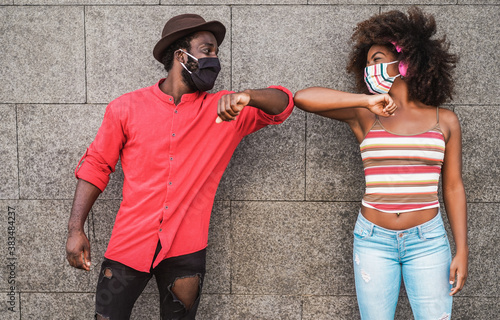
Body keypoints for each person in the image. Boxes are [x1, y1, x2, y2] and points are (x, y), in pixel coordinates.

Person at [65, 13, 294, 319]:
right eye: (207, 50)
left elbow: (284, 104)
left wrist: (248, 97)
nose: (214, 60)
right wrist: (75, 229)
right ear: (180, 55)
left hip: (187, 251)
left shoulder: (225, 108)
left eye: (216, 53)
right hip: (128, 244)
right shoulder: (125, 108)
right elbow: (96, 165)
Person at [294, 7, 467, 320]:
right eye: (368, 62)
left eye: (376, 60)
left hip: (427, 241)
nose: (369, 69)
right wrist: (363, 100)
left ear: (405, 62)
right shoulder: (365, 115)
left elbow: (453, 186)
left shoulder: (445, 120)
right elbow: (303, 98)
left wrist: (462, 250)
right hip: (373, 240)